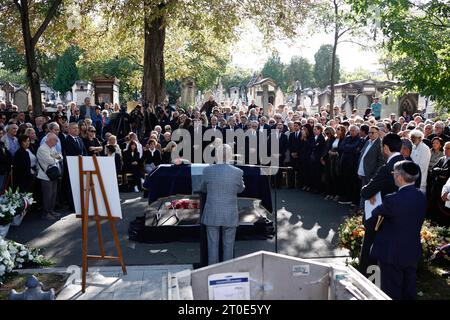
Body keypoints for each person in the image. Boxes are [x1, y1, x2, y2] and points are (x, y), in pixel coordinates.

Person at [370, 161, 426, 300]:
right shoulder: (421, 196)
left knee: (391, 291)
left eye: (394, 174)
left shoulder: (392, 199)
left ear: (400, 177)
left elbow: (374, 214)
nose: (393, 176)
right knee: (409, 289)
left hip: (392, 252)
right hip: (412, 250)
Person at [199, 144, 245, 265]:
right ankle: (227, 272)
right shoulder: (238, 172)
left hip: (212, 211)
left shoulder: (207, 170)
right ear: (230, 156)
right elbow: (240, 189)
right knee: (229, 245)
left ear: (217, 155)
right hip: (229, 212)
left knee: (212, 245)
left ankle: (212, 272)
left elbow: (202, 188)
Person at [37, 133, 63, 220]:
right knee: (47, 195)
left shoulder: (51, 147)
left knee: (53, 193)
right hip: (45, 175)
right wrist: (56, 158)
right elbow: (51, 161)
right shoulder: (42, 149)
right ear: (50, 140)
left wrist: (55, 157)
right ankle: (46, 213)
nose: (57, 142)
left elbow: (61, 156)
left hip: (53, 174)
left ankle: (51, 211)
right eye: (55, 140)